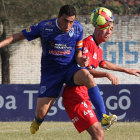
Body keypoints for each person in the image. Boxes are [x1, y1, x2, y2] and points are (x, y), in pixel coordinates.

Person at [0, 5, 104, 138]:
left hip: (70, 69)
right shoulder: (45, 27)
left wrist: (82, 61)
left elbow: (78, 54)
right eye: (65, 21)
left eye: (71, 21)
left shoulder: (78, 28)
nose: (68, 25)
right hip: (51, 74)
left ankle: (103, 116)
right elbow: (18, 36)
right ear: (59, 17)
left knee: (87, 76)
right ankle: (38, 121)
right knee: (41, 113)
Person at [62, 7, 140, 139]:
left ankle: (104, 117)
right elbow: (86, 71)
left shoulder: (98, 49)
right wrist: (106, 75)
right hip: (74, 96)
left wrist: (126, 70)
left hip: (82, 95)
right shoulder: (87, 43)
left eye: (112, 28)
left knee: (99, 135)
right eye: (107, 27)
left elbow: (103, 63)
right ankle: (104, 117)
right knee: (98, 134)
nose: (110, 31)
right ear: (97, 27)